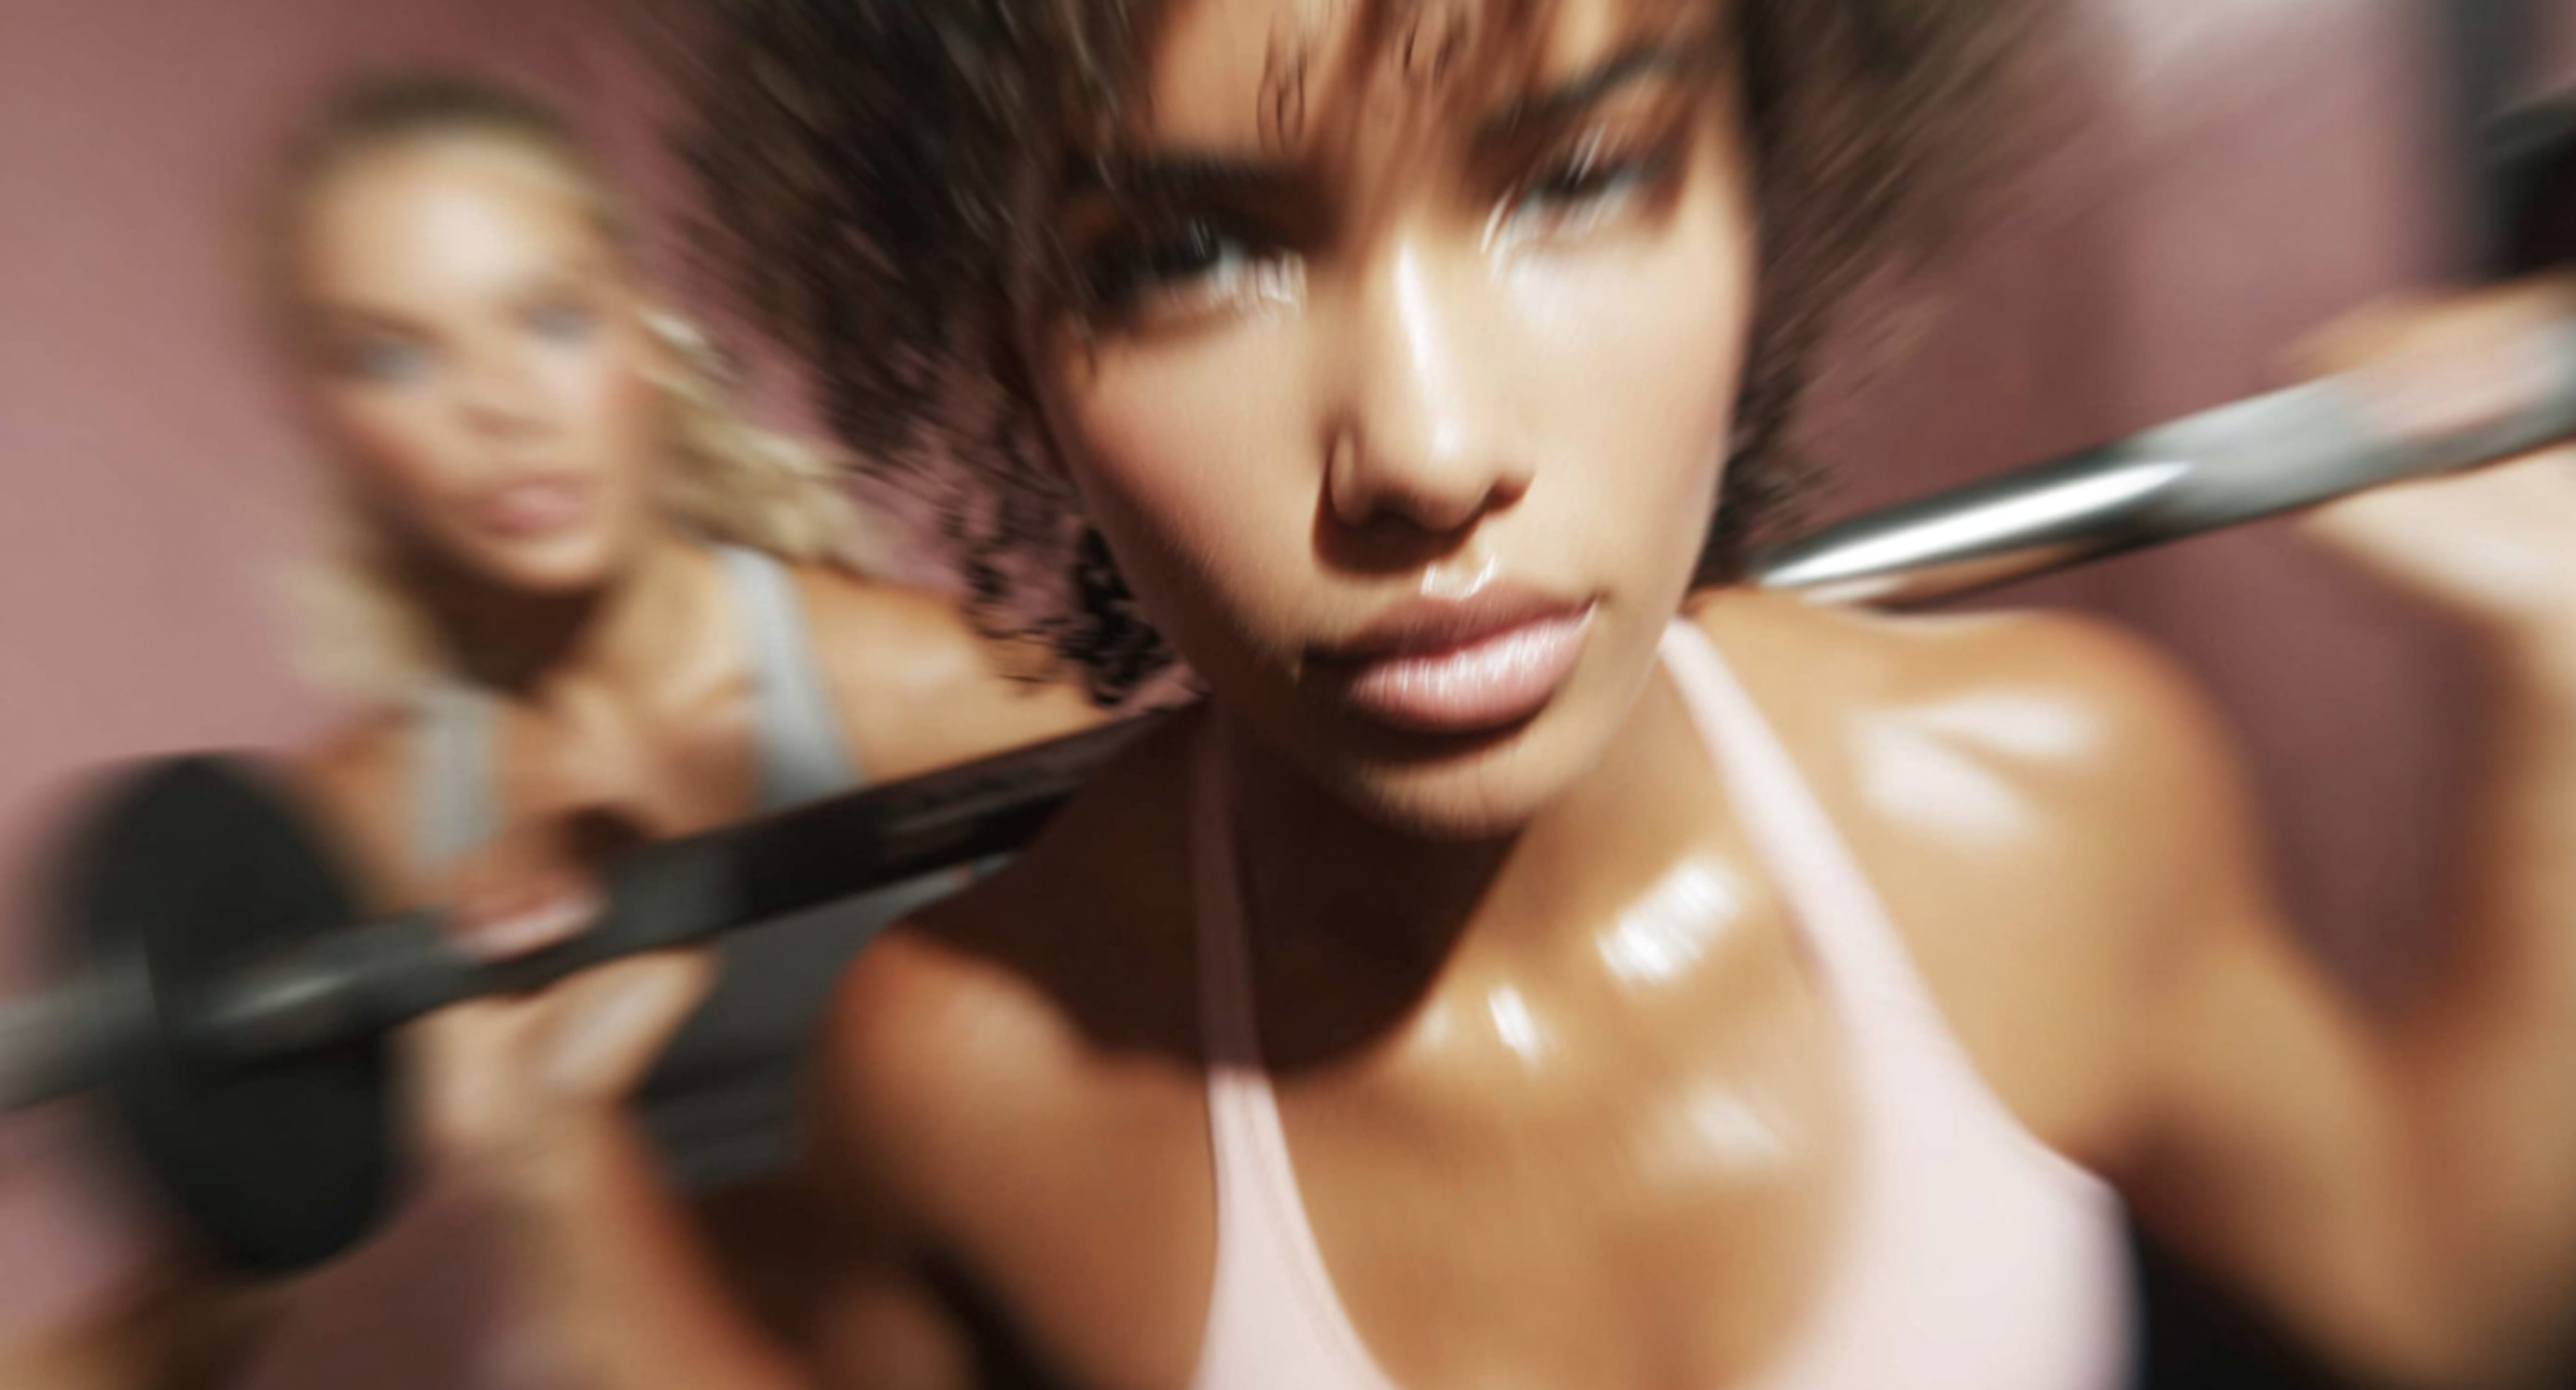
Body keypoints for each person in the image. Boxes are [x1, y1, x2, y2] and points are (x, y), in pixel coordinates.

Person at [0, 70, 1101, 1390]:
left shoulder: (928, 698)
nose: (499, 406)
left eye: (548, 318)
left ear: (642, 332)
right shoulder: (373, 817)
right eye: (396, 356)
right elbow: (219, 1293)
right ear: (330, 423)